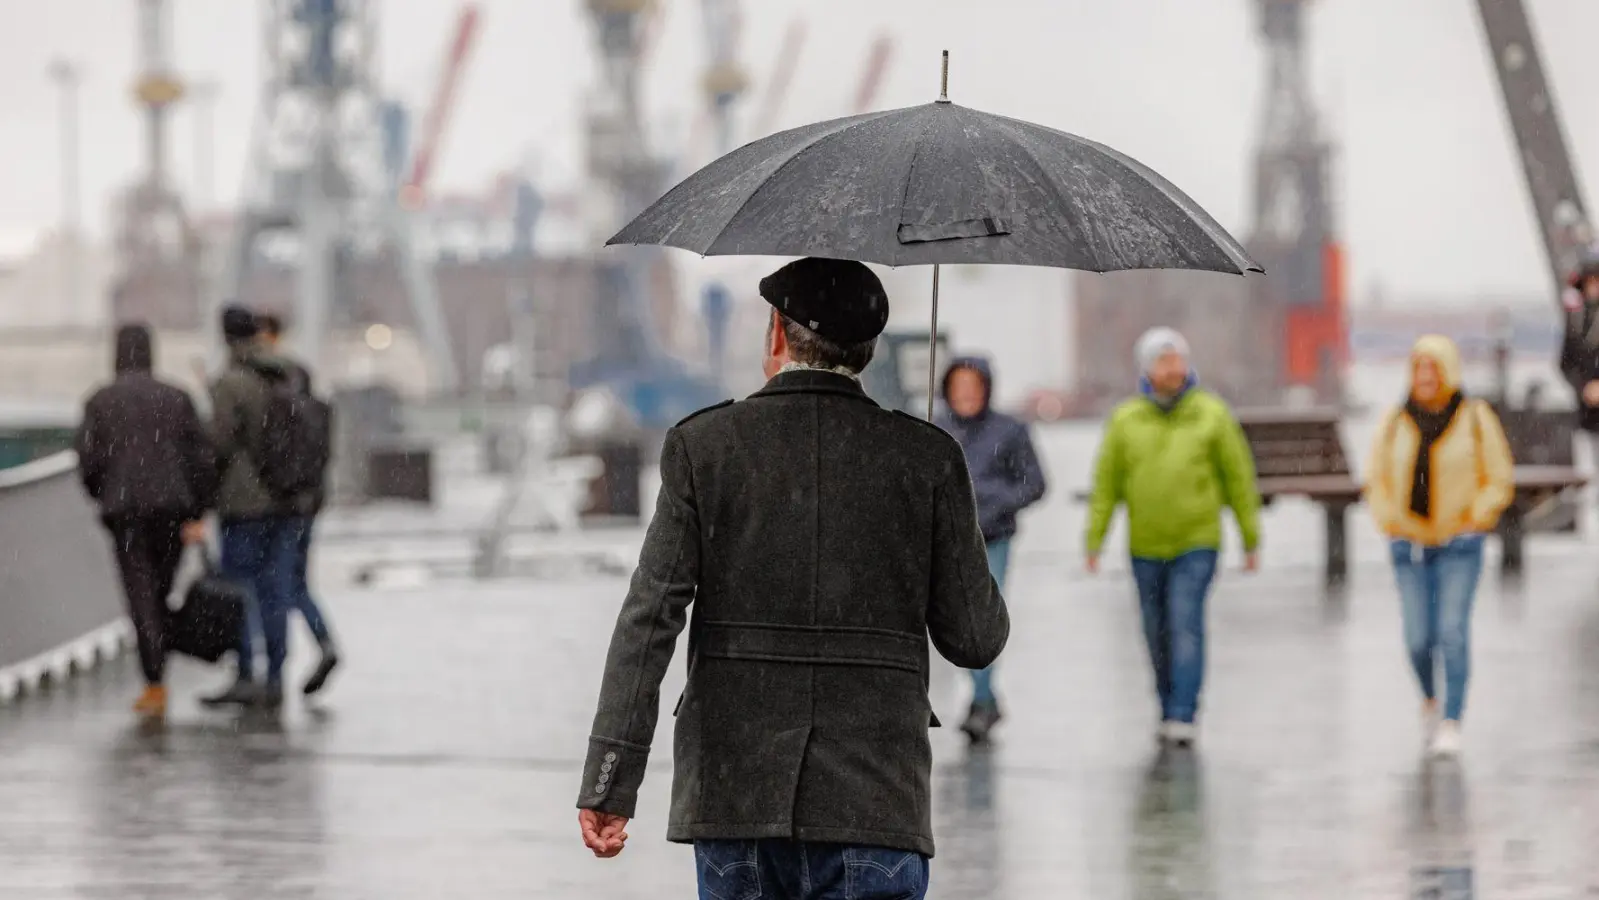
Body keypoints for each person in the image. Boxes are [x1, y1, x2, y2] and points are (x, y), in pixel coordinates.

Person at [574, 257, 1009, 900]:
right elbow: (975, 639)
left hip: (736, 794)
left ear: (778, 334)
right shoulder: (926, 457)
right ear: (865, 351)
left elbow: (649, 619)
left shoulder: (706, 447)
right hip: (875, 799)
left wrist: (611, 781)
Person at [1084, 327, 1260, 747]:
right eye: (1163, 360)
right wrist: (1094, 540)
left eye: (1178, 359)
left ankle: (1184, 712)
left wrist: (1250, 536)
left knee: (1185, 623)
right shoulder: (1126, 420)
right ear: (1146, 368)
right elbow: (1106, 484)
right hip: (1145, 546)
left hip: (1196, 542)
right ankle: (1165, 705)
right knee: (1154, 630)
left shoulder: (1211, 414)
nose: (1173, 368)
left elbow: (1238, 478)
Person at [1365, 335, 1513, 757]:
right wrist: (1388, 519)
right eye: (1418, 369)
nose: (1425, 378)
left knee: (1451, 631)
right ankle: (1430, 697)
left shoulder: (1475, 417)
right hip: (1409, 544)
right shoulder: (1396, 420)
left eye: (1433, 369)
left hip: (1459, 544)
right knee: (1417, 637)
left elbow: (1499, 475)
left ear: (1448, 371)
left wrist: (1477, 516)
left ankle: (1452, 718)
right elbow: (1376, 476)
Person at [75, 324, 217, 719]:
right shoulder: (177, 397)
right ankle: (160, 657)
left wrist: (102, 493)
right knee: (161, 587)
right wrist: (197, 510)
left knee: (140, 592)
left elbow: (88, 460)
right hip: (173, 508)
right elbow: (200, 458)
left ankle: (154, 680)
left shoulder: (101, 401)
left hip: (125, 512)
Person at [935, 356, 1047, 742]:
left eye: (973, 386)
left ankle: (981, 701)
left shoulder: (1009, 430)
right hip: (947, 542)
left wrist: (997, 502)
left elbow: (1034, 483)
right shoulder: (936, 430)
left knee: (980, 618)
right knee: (954, 621)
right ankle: (985, 697)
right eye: (958, 387)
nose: (965, 395)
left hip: (992, 538)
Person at [200, 306, 301, 710]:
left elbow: (218, 445)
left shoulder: (232, 382)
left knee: (240, 588)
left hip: (243, 503)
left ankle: (246, 672)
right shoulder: (287, 373)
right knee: (275, 589)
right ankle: (276, 676)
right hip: (286, 498)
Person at [255, 310, 340, 696]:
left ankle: (284, 667)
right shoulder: (317, 407)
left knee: (281, 584)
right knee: (298, 581)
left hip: (286, 506)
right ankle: (323, 642)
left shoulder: (278, 401)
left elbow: (272, 455)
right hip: (311, 503)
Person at [1559, 249, 1599, 477]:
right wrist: (1583, 387)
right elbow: (1565, 362)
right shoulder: (1576, 321)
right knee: (1587, 480)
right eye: (1590, 281)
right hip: (1585, 416)